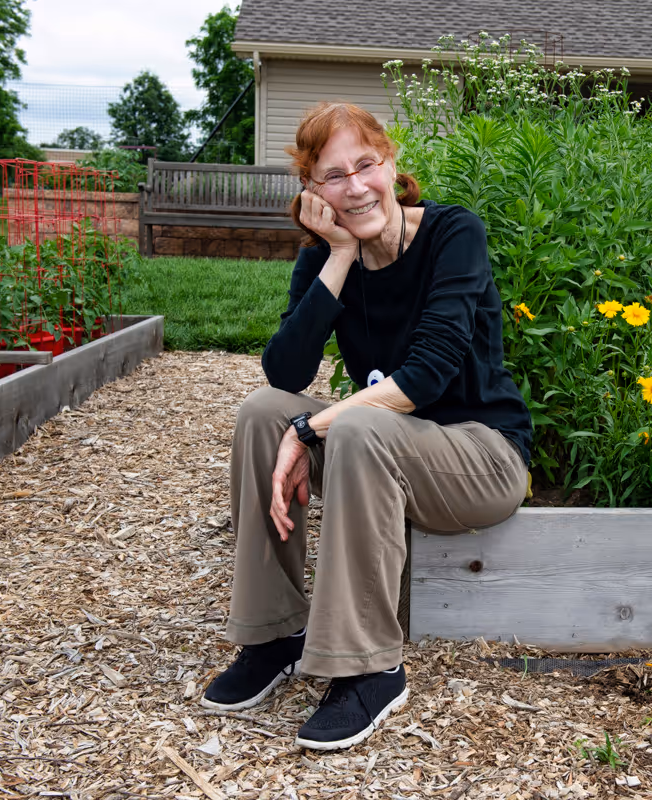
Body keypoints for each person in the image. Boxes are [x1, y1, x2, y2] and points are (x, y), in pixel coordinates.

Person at [201, 102, 532, 751]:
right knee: (262, 413)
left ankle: (369, 667)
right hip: (382, 455)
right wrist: (341, 254)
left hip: (481, 456)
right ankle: (275, 636)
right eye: (333, 175)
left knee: (342, 425)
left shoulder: (450, 234)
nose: (355, 186)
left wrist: (309, 430)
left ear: (391, 165)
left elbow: (427, 377)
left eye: (366, 165)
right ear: (312, 192)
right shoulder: (328, 256)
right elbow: (284, 370)